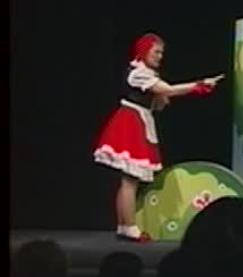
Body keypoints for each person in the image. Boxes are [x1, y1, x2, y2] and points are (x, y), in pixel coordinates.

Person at [93, 33, 224, 242]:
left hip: (139, 119)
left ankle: (124, 225)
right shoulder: (138, 73)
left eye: (162, 53)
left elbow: (161, 100)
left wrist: (162, 99)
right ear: (144, 51)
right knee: (130, 180)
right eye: (156, 52)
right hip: (131, 122)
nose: (160, 56)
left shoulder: (147, 74)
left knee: (128, 180)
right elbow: (168, 90)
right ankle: (129, 227)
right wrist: (198, 85)